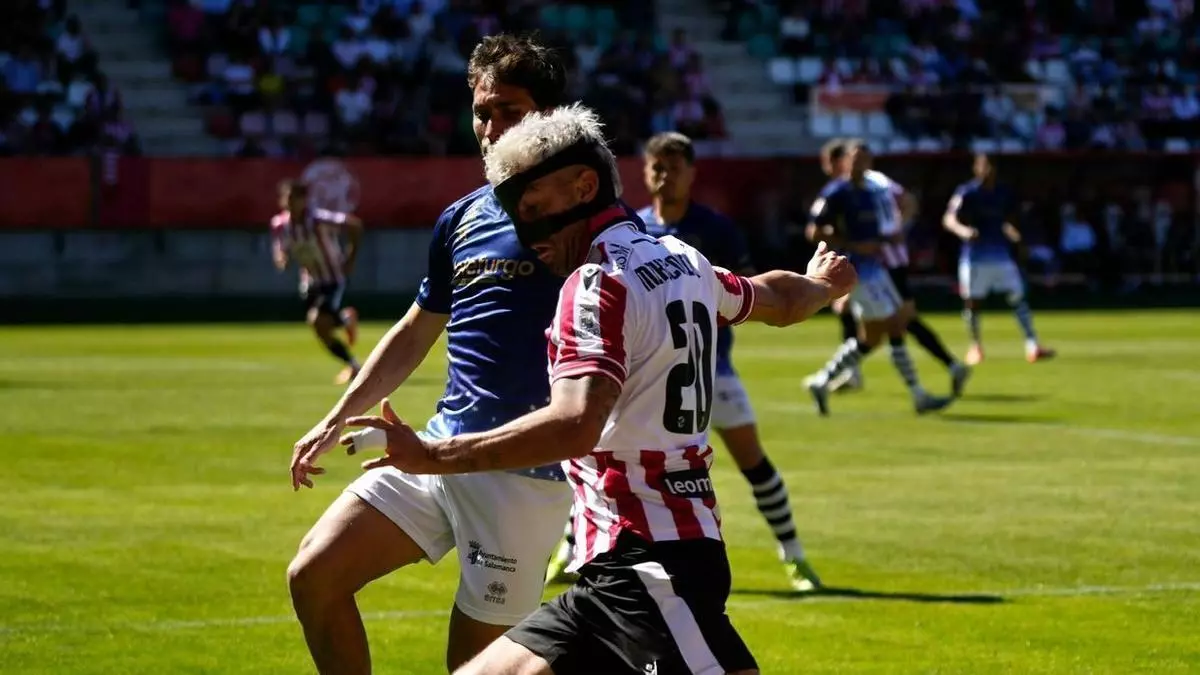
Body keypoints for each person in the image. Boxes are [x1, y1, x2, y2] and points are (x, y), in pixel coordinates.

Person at [341, 103, 857, 675]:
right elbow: (777, 299)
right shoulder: (682, 261)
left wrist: (430, 456)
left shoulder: (595, 284)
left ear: (584, 187)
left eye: (534, 209)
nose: (525, 232)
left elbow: (574, 424)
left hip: (650, 568)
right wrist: (822, 284)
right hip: (614, 570)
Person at [285, 35, 577, 674]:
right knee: (313, 575)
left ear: (550, 115)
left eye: (509, 110)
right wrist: (336, 417)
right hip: (434, 450)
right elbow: (417, 331)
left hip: (521, 473)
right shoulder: (461, 217)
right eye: (482, 112)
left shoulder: (585, 222)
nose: (491, 127)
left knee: (472, 669)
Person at [804, 143, 955, 416]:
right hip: (858, 271)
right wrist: (851, 244)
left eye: (864, 160)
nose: (859, 164)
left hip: (877, 267)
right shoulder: (836, 193)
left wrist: (887, 239)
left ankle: (821, 382)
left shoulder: (872, 192)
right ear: (846, 162)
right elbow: (814, 231)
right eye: (854, 159)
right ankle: (919, 395)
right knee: (895, 326)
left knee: (872, 338)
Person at [943, 154, 1056, 364]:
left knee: (1018, 298)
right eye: (984, 166)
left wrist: (1015, 236)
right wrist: (963, 231)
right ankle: (975, 346)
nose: (988, 171)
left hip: (1001, 255)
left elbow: (1005, 221)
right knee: (973, 302)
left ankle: (1033, 346)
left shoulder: (1003, 192)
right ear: (976, 168)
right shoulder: (967, 192)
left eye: (991, 166)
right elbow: (949, 219)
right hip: (975, 257)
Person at [271, 180, 363, 384]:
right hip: (309, 282)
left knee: (317, 321)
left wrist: (350, 258)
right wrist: (281, 258)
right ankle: (346, 322)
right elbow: (280, 248)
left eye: (295, 198)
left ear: (304, 200)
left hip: (332, 278)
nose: (291, 202)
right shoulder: (279, 225)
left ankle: (354, 365)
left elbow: (354, 225)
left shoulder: (318, 219)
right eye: (287, 198)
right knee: (321, 329)